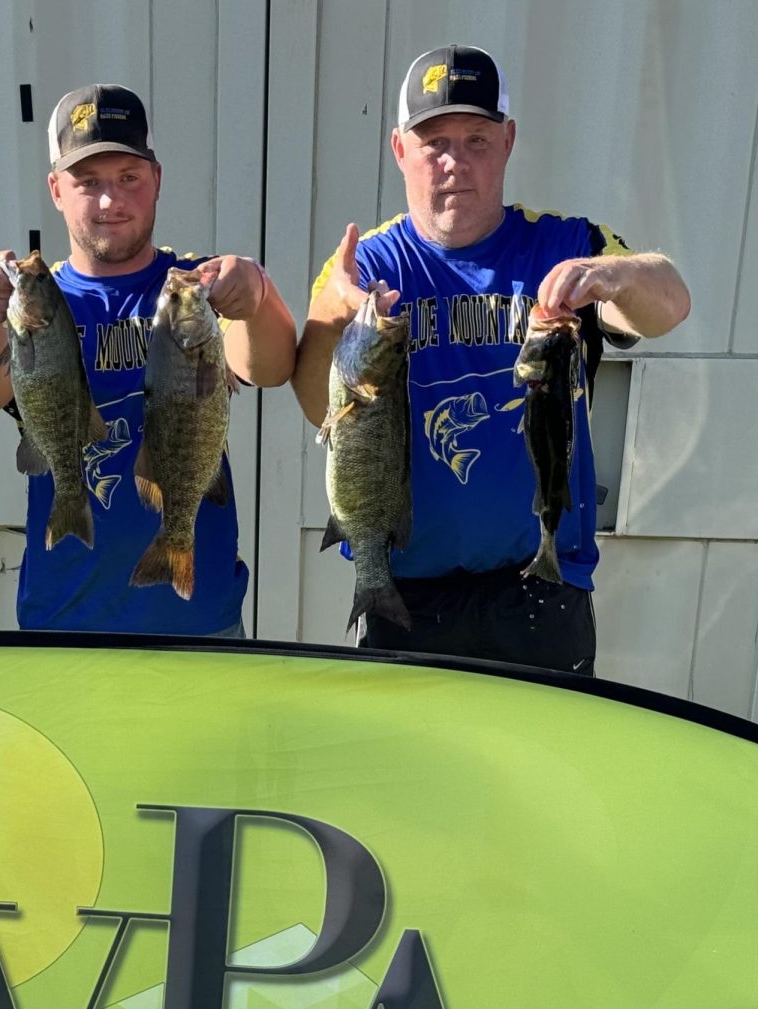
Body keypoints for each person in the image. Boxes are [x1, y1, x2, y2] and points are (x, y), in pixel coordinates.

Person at [291, 45, 690, 674]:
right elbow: (317, 401)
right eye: (435, 142)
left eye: (477, 139)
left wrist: (610, 276)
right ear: (400, 151)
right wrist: (339, 313)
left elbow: (669, 303)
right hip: (408, 593)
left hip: (542, 585)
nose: (455, 162)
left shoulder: (564, 243)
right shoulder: (366, 264)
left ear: (507, 142)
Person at [0, 84, 296, 636]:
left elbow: (272, 367)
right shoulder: (35, 303)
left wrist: (258, 294)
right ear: (56, 190)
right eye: (88, 182)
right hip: (63, 620)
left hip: (197, 622)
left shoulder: (196, 288)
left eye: (128, 178)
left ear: (156, 180)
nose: (109, 201)